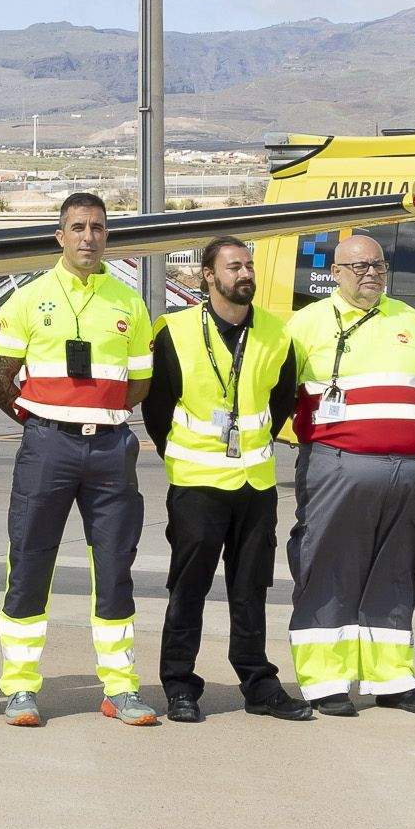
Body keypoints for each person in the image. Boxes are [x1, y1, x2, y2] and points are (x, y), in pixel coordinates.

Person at [0, 192, 158, 727]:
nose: (88, 237)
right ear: (60, 236)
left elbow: (140, 383)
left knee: (115, 565)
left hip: (109, 448)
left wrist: (96, 415)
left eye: (98, 228)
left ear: (107, 237)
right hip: (48, 448)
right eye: (78, 227)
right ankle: (19, 687)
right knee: (31, 560)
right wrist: (40, 421)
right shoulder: (28, 299)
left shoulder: (128, 303)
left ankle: (120, 687)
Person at [144, 237, 310, 722]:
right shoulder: (174, 331)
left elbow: (280, 404)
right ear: (208, 276)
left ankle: (258, 683)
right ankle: (179, 684)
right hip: (197, 483)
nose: (246, 274)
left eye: (249, 265)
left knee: (251, 587)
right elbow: (157, 409)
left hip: (256, 484)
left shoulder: (276, 334)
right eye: (234, 266)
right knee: (188, 586)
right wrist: (184, 455)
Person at [282, 233, 415, 717]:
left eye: (377, 265)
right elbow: (279, 392)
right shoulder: (306, 323)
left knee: (398, 570)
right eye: (358, 267)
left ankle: (390, 678)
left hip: (411, 469)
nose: (370, 273)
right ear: (336, 272)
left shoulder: (408, 318)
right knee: (328, 566)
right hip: (338, 465)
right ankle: (324, 681)